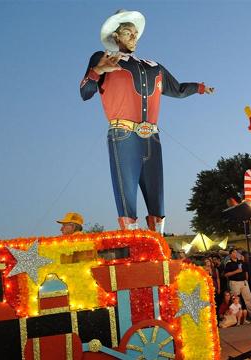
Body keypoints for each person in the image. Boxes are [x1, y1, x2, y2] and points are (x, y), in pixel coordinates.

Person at [80, 9, 214, 233]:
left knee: (157, 197)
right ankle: (133, 246)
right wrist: (97, 71)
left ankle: (158, 245)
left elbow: (178, 89)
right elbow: (85, 92)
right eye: (127, 33)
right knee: (127, 196)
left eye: (135, 33)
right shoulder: (104, 59)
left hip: (152, 135)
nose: (133, 37)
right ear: (115, 36)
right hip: (123, 134)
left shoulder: (154, 66)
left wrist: (199, 88)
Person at [223, 249, 251, 320]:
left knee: (248, 298)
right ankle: (237, 318)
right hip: (235, 282)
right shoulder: (229, 263)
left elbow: (245, 270)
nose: (236, 253)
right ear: (230, 254)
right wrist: (236, 271)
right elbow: (226, 274)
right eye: (234, 252)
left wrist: (246, 279)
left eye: (236, 252)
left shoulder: (240, 262)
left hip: (243, 282)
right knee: (236, 300)